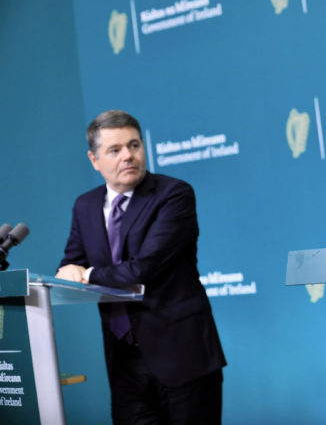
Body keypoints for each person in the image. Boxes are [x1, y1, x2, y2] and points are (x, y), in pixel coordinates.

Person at [57, 110, 226, 424]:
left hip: (182, 355)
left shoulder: (173, 194)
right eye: (115, 150)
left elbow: (143, 268)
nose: (128, 156)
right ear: (94, 160)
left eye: (134, 145)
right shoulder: (86, 205)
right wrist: (69, 271)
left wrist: (88, 275)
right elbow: (71, 261)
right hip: (124, 365)